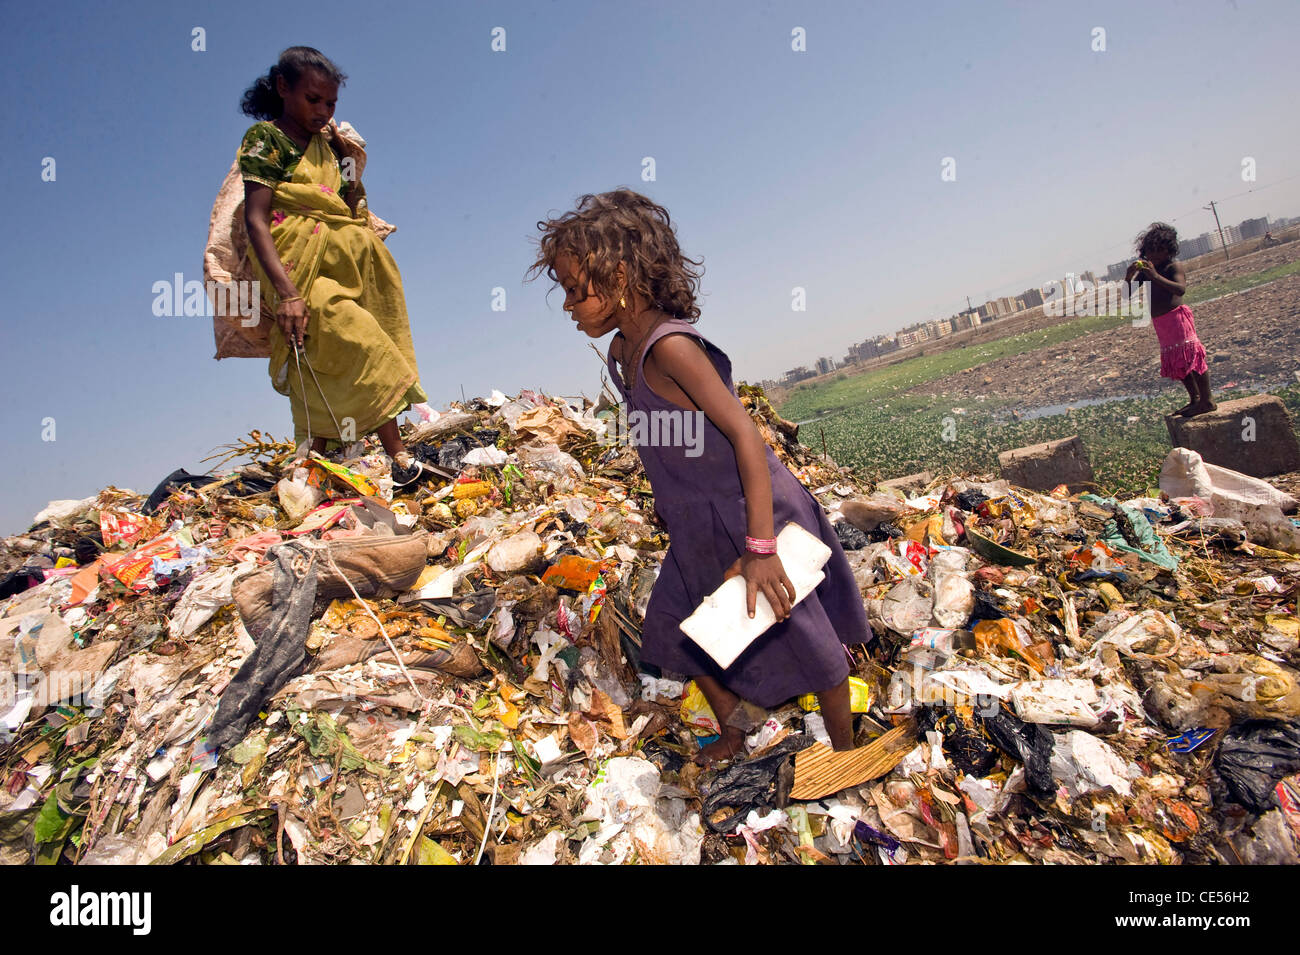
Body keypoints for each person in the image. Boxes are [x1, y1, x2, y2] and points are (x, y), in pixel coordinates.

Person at [529, 190, 873, 764]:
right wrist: (669, 498)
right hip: (696, 522)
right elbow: (665, 435)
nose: (567, 305)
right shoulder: (624, 352)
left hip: (750, 512)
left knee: (802, 633)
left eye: (573, 288)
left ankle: (844, 753)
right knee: (678, 628)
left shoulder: (672, 348)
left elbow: (745, 437)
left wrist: (761, 548)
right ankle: (736, 732)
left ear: (618, 276)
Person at [236, 46, 434, 485]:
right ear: (283, 88)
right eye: (313, 100)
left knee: (323, 353)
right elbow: (256, 219)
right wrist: (287, 294)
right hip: (292, 266)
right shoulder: (265, 140)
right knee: (359, 340)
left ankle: (318, 464)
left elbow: (344, 203)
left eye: (330, 104)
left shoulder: (329, 147)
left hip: (340, 262)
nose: (323, 111)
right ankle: (395, 454)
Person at [1126, 222, 1214, 416]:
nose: (1152, 256)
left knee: (1191, 357)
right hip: (1162, 323)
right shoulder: (1146, 273)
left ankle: (1207, 400)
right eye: (1148, 252)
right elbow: (1127, 295)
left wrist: (1155, 276)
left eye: (1156, 252)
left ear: (1166, 250)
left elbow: (1180, 289)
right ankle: (1195, 399)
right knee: (1177, 361)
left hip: (1177, 319)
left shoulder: (1172, 267)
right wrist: (1129, 276)